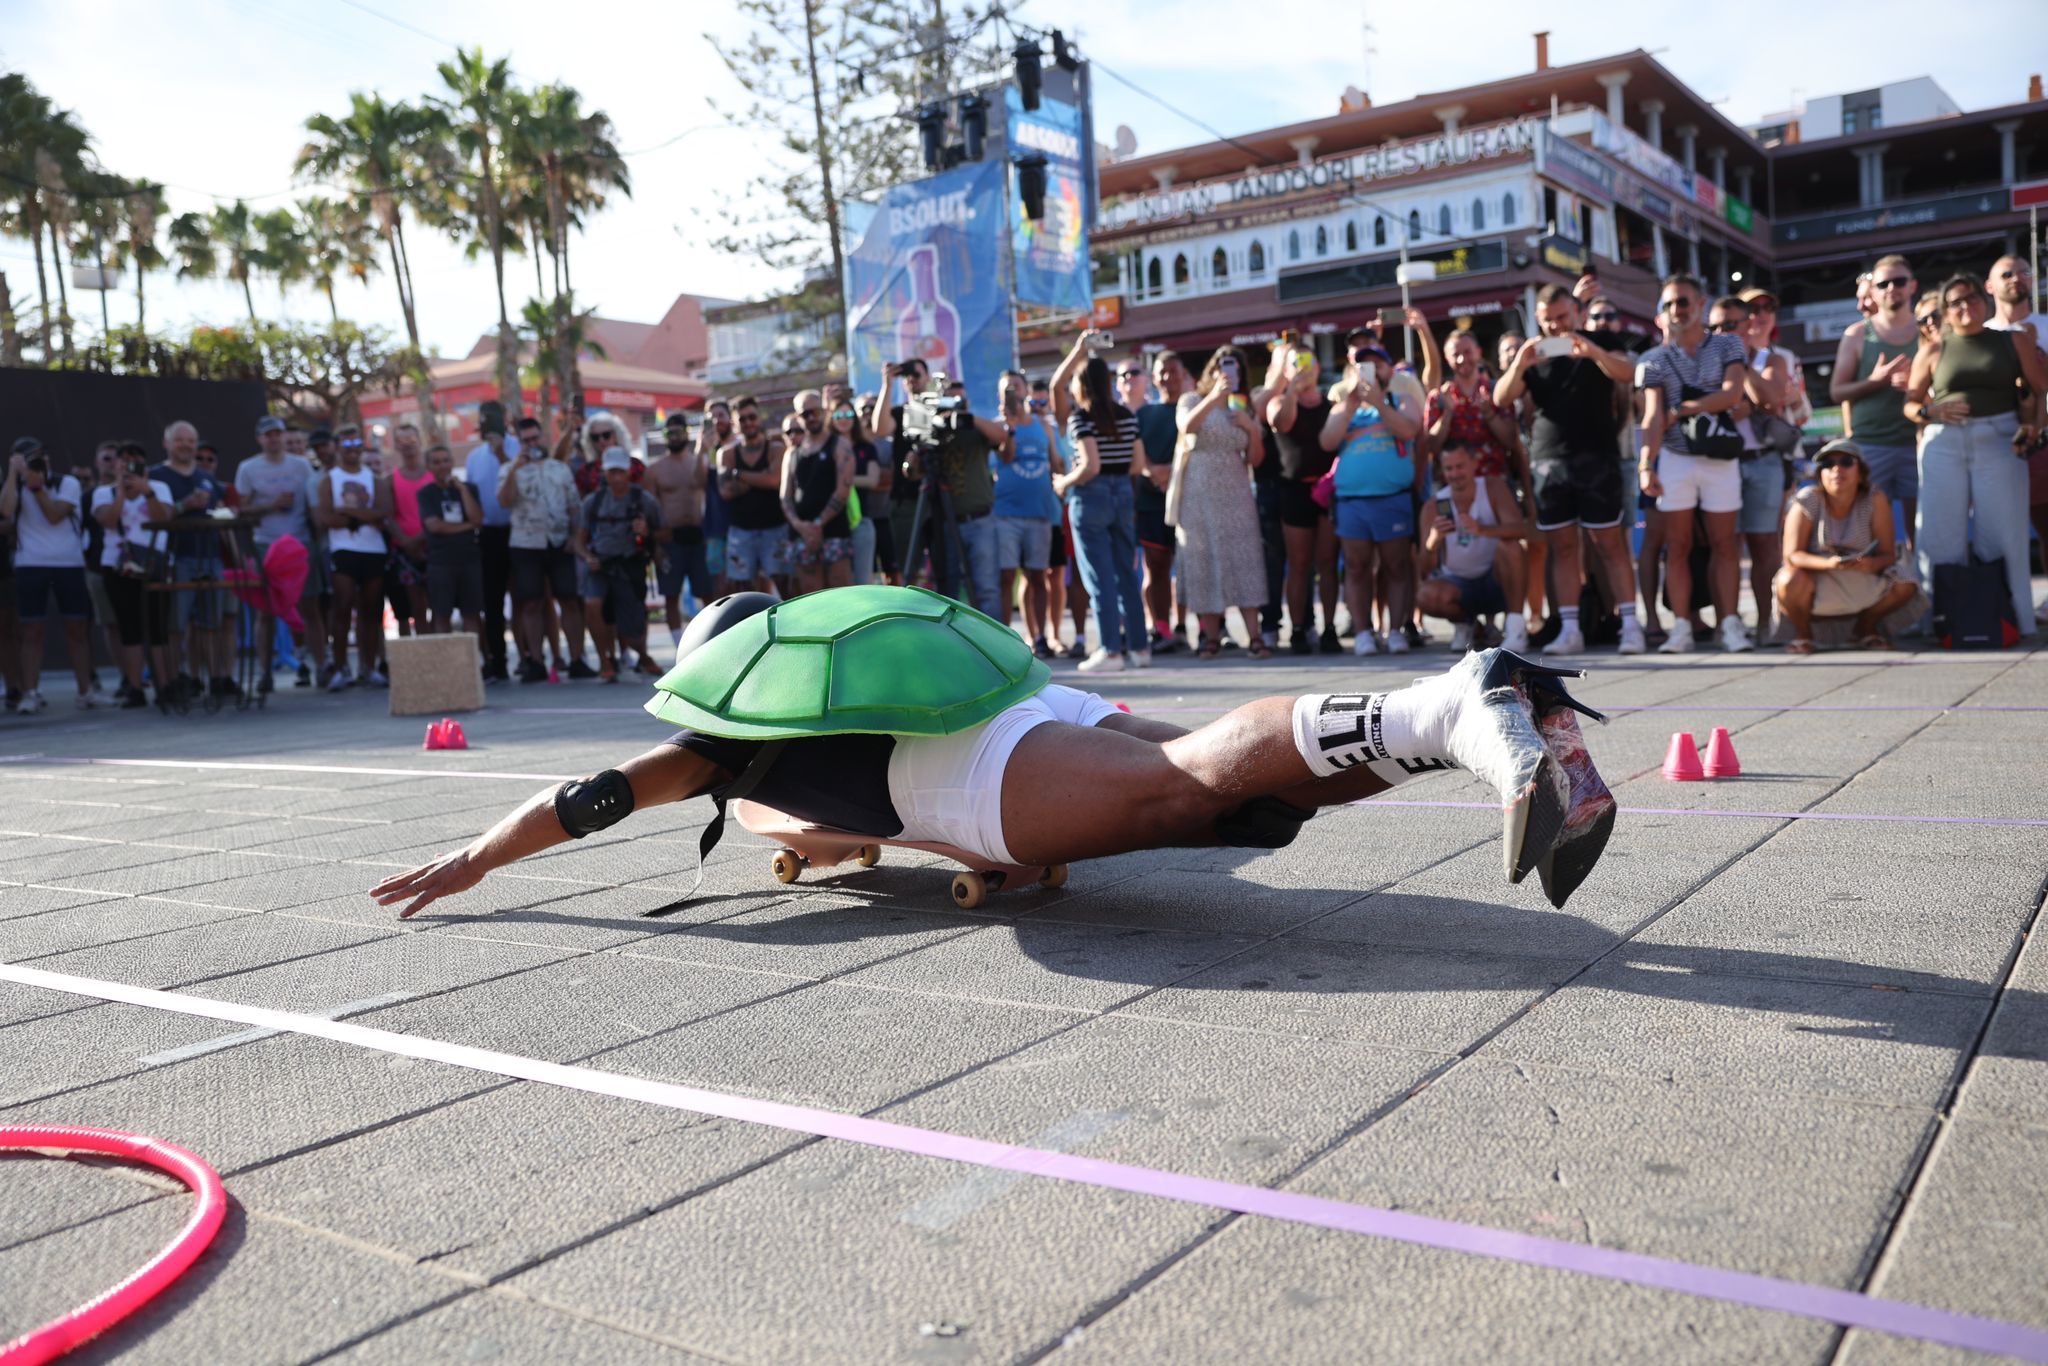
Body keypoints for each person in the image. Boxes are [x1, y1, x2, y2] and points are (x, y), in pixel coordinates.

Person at [370, 590, 1617, 923]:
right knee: (1221, 795)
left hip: (963, 782)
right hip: (1025, 701)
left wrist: (477, 856)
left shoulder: (720, 747)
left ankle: (1455, 707)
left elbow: (585, 797)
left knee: (1181, 791)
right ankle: (1457, 726)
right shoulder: (811, 687)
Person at [1494, 284, 1648, 656]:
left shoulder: (1601, 339)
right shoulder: (1535, 351)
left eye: (1562, 318)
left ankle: (1630, 625)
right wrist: (1520, 363)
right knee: (1562, 546)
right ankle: (1569, 628)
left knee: (1609, 542)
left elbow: (1629, 374)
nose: (1556, 327)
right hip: (1549, 459)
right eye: (1547, 320)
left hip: (1598, 456)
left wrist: (1592, 351)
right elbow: (1501, 398)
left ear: (1577, 311)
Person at [1905, 272, 2048, 636]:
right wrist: (1929, 412)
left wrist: (2033, 427)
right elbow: (1909, 403)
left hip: (1998, 437)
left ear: (1984, 302)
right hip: (1944, 442)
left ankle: (2013, 620)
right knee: (1938, 535)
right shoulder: (1934, 349)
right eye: (1954, 302)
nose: (1965, 306)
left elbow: (2039, 389)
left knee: (2003, 534)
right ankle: (1935, 623)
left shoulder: (2013, 341)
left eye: (1970, 298)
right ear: (1944, 312)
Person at [1635, 274, 1750, 655]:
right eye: (1668, 304)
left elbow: (1732, 394)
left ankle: (1730, 625)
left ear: (1700, 303)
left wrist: (1684, 408)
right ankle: (1681, 627)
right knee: (1677, 545)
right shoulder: (1652, 359)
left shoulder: (1728, 343)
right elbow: (1651, 417)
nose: (1676, 310)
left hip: (1719, 456)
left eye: (1682, 301)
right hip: (1675, 458)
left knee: (1724, 544)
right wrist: (1645, 465)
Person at [1051, 333, 1148, 673]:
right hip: (1123, 493)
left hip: (1090, 497)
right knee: (1126, 572)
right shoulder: (1126, 415)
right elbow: (1138, 465)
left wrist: (1063, 481)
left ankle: (1111, 650)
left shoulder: (1081, 418)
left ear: (1081, 386)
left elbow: (1089, 465)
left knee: (1098, 576)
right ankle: (1139, 647)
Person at [1320, 340, 1422, 656]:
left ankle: (1395, 631)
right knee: (1356, 567)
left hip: (1392, 499)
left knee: (1396, 566)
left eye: (1377, 364)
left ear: (1389, 369)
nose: (1371, 371)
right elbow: (1327, 441)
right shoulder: (1343, 407)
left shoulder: (1402, 399)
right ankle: (1363, 632)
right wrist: (1351, 404)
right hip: (1352, 502)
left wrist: (1379, 403)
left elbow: (1408, 430)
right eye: (1363, 365)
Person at [1171, 347, 1273, 660]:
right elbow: (1186, 427)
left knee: (1245, 560)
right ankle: (1211, 637)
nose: (1229, 373)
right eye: (1223, 366)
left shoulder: (1245, 406)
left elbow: (1256, 458)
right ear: (1212, 370)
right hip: (1199, 494)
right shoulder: (1191, 399)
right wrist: (1215, 397)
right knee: (1204, 561)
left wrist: (1251, 428)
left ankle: (1254, 637)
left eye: (1235, 368)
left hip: (1237, 492)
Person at [1774, 440, 1922, 653]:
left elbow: (1888, 555)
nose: (1836, 469)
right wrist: (1830, 564)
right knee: (1788, 579)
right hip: (1817, 577)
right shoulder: (1807, 499)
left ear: (1861, 472)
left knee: (1906, 583)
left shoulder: (1875, 498)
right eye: (1827, 464)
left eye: (1846, 462)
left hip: (1861, 575)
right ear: (1819, 474)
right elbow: (1791, 556)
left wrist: (1870, 564)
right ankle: (1803, 635)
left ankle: (1865, 630)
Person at [3, 437, 108, 712]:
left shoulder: (67, 483)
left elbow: (55, 515)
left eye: (37, 456)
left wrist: (37, 488)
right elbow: (5, 511)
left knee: (77, 629)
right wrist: (15, 476)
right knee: (31, 631)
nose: (33, 461)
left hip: (68, 564)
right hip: (30, 564)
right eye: (25, 457)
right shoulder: (14, 485)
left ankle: (86, 691)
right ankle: (30, 692)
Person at [1715, 295, 1793, 643]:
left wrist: (1740, 364)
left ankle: (1766, 624)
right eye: (1715, 327)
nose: (1722, 333)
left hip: (1762, 462)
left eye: (1730, 326)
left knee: (1765, 546)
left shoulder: (1769, 358)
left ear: (1748, 326)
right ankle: (1726, 626)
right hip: (1719, 463)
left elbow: (1772, 400)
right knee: (1723, 547)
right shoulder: (1702, 360)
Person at [1830, 255, 1921, 538]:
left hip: (1918, 443)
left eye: (1899, 281)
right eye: (1884, 283)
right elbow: (1837, 391)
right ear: (1874, 291)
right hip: (1870, 446)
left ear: (1912, 286)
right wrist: (1875, 381)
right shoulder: (1857, 335)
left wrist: (1916, 387)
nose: (1892, 288)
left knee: (1922, 532)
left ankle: (1918, 583)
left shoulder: (1928, 331)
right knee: (1868, 533)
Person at [235, 414, 327, 694]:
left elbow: (314, 505)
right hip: (266, 545)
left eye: (278, 433)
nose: (274, 439)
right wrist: (271, 505)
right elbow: (241, 509)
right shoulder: (248, 468)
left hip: (299, 543)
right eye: (268, 434)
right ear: (259, 438)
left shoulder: (301, 466)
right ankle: (265, 672)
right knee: (266, 611)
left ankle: (322, 666)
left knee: (310, 607)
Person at [1418, 439, 1529, 652]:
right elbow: (1423, 569)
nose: (1455, 473)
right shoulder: (1434, 506)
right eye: (1449, 468)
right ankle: (1467, 624)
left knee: (1512, 548)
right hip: (1458, 585)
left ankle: (1516, 628)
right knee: (1426, 596)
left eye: (1460, 466)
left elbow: (1520, 530)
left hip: (1495, 580)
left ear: (1474, 463)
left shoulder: (1493, 487)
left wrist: (1483, 529)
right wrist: (1433, 541)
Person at [500, 411, 588, 683]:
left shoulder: (558, 468)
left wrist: (576, 537)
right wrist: (516, 468)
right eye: (525, 440)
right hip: (526, 544)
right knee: (531, 603)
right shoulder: (508, 470)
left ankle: (576, 660)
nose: (531, 443)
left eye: (535, 438)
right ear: (519, 442)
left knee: (569, 600)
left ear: (542, 437)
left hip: (559, 542)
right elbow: (504, 501)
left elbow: (575, 506)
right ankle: (536, 661)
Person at [150, 420, 236, 698]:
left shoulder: (207, 478)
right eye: (180, 440)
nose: (186, 446)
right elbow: (152, 514)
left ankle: (217, 678)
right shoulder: (156, 476)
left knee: (212, 624)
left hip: (210, 556)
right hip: (177, 558)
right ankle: (176, 679)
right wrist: (184, 505)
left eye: (190, 441)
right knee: (176, 624)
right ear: (167, 443)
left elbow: (222, 511)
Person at [1266, 343, 1340, 654]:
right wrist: (1292, 389)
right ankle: (1298, 629)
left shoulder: (1330, 403)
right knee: (1298, 564)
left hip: (1327, 491)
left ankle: (1329, 628)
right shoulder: (1279, 401)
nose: (1303, 368)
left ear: (1318, 367)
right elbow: (1281, 422)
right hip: (1294, 489)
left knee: (1327, 561)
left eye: (1307, 361)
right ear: (1285, 369)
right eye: (1295, 363)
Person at [91, 446, 175, 707]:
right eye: (124, 462)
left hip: (154, 564)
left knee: (158, 628)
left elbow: (165, 519)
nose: (129, 467)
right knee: (129, 629)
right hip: (118, 566)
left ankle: (165, 687)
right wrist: (120, 490)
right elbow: (107, 520)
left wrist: (146, 490)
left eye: (135, 462)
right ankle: (135, 687)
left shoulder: (159, 488)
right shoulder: (103, 492)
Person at [1984, 256, 2048, 596]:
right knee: (1998, 531)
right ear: (1990, 286)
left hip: (2043, 442)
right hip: (1995, 442)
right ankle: (2006, 605)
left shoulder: (2045, 325)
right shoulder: (1980, 335)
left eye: (2024, 271)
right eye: (2006, 273)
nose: (2016, 279)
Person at [577, 447, 664, 679]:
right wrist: (588, 557)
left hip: (629, 565)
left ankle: (644, 657)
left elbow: (664, 533)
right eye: (611, 472)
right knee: (592, 604)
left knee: (631, 629)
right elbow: (578, 540)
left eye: (620, 471)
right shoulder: (593, 502)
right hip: (600, 564)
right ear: (604, 473)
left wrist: (646, 532)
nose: (616, 477)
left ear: (628, 472)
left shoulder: (643, 500)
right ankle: (606, 662)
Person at [317, 424, 391, 689]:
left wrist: (349, 512)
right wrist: (365, 513)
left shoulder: (374, 479)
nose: (352, 450)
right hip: (343, 550)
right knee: (343, 607)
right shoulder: (330, 479)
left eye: (356, 444)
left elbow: (383, 512)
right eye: (346, 445)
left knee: (372, 610)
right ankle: (340, 668)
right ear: (338, 448)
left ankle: (369, 666)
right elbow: (326, 517)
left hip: (373, 550)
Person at [993, 374, 1060, 647]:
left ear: (1025, 389)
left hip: (1040, 512)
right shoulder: (997, 426)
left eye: (1016, 385)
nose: (1012, 391)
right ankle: (1004, 640)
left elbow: (1056, 463)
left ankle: (1039, 637)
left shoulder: (1043, 425)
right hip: (1006, 513)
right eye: (1006, 388)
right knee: (1006, 576)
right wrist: (1009, 429)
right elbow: (1005, 456)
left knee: (1037, 576)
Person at [1124, 353, 1183, 653]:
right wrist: (1153, 471)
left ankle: (1190, 626)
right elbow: (1137, 450)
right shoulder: (1144, 414)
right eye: (1162, 372)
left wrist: (1172, 473)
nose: (1167, 377)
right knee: (1155, 568)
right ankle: (1161, 627)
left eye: (1173, 371)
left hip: (1185, 500)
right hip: (1149, 502)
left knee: (1187, 568)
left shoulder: (1191, 408)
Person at [780, 394, 855, 597]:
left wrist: (818, 524)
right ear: (798, 416)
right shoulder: (792, 453)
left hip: (833, 531)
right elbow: (785, 496)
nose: (812, 417)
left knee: (842, 595)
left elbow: (843, 490)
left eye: (816, 411)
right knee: (810, 596)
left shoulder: (840, 445)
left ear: (824, 412)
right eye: (806, 413)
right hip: (801, 534)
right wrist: (801, 526)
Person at [463, 411, 518, 681]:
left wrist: (501, 455)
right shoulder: (474, 457)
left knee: (524, 599)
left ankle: (532, 658)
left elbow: (519, 481)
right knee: (491, 603)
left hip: (519, 533)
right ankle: (497, 661)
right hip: (488, 536)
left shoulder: (518, 448)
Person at [649, 412, 711, 649]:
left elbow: (706, 488)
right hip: (670, 540)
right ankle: (679, 647)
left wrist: (703, 449)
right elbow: (649, 510)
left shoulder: (698, 462)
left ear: (687, 433)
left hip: (698, 537)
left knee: (707, 593)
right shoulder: (655, 469)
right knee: (671, 595)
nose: (674, 437)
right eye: (669, 433)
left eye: (678, 432)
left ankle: (712, 644)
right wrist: (655, 546)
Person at [717, 395, 787, 597]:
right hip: (741, 532)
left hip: (775, 528)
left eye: (752, 417)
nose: (748, 423)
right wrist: (762, 478)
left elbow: (775, 480)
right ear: (735, 423)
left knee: (786, 587)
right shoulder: (726, 454)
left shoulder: (776, 448)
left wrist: (738, 474)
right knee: (742, 592)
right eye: (742, 419)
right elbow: (726, 491)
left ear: (760, 418)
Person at [416, 443, 484, 636]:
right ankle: (444, 663)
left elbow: (478, 518)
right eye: (436, 462)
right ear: (429, 466)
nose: (442, 466)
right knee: (441, 615)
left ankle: (473, 661)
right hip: (440, 562)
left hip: (469, 559)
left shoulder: (468, 488)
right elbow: (435, 526)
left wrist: (462, 490)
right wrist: (468, 526)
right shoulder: (426, 493)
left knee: (471, 614)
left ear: (452, 462)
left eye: (446, 461)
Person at [384, 422, 434, 647]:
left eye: (411, 440)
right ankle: (423, 653)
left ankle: (440, 649)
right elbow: (388, 516)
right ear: (395, 446)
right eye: (402, 442)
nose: (408, 446)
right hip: (405, 553)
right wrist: (407, 543)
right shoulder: (391, 479)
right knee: (416, 608)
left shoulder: (433, 474)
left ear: (419, 441)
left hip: (435, 547)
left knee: (440, 606)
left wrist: (423, 538)